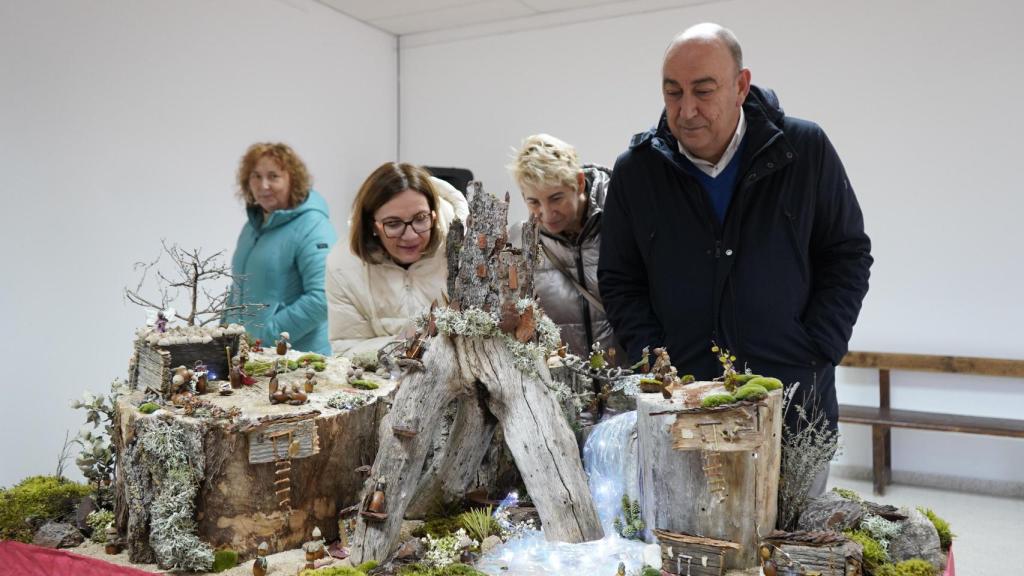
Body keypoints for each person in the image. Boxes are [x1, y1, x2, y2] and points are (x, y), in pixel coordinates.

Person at [598, 24, 872, 457]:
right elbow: (619, 278)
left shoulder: (804, 150)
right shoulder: (637, 171)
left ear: (741, 86)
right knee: (683, 527)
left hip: (794, 404)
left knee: (797, 526)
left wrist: (820, 345)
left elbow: (847, 255)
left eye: (703, 91)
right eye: (673, 93)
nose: (686, 110)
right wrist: (654, 360)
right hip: (682, 410)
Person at [327, 163, 469, 357]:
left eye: (420, 219)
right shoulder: (344, 265)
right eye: (393, 224)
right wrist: (401, 344)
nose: (410, 236)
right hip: (382, 382)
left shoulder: (467, 249)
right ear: (372, 226)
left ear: (433, 215)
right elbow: (347, 348)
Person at [508, 134, 622, 363]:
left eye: (556, 198)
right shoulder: (519, 243)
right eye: (533, 202)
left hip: (630, 381)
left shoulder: (622, 221)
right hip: (564, 390)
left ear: (579, 182)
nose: (547, 213)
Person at [226, 142, 337, 356]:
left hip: (297, 360)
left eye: (273, 176)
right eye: (256, 176)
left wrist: (267, 336)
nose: (263, 185)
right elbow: (238, 287)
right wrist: (225, 329)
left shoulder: (313, 226)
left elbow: (322, 298)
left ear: (293, 180)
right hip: (252, 353)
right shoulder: (252, 226)